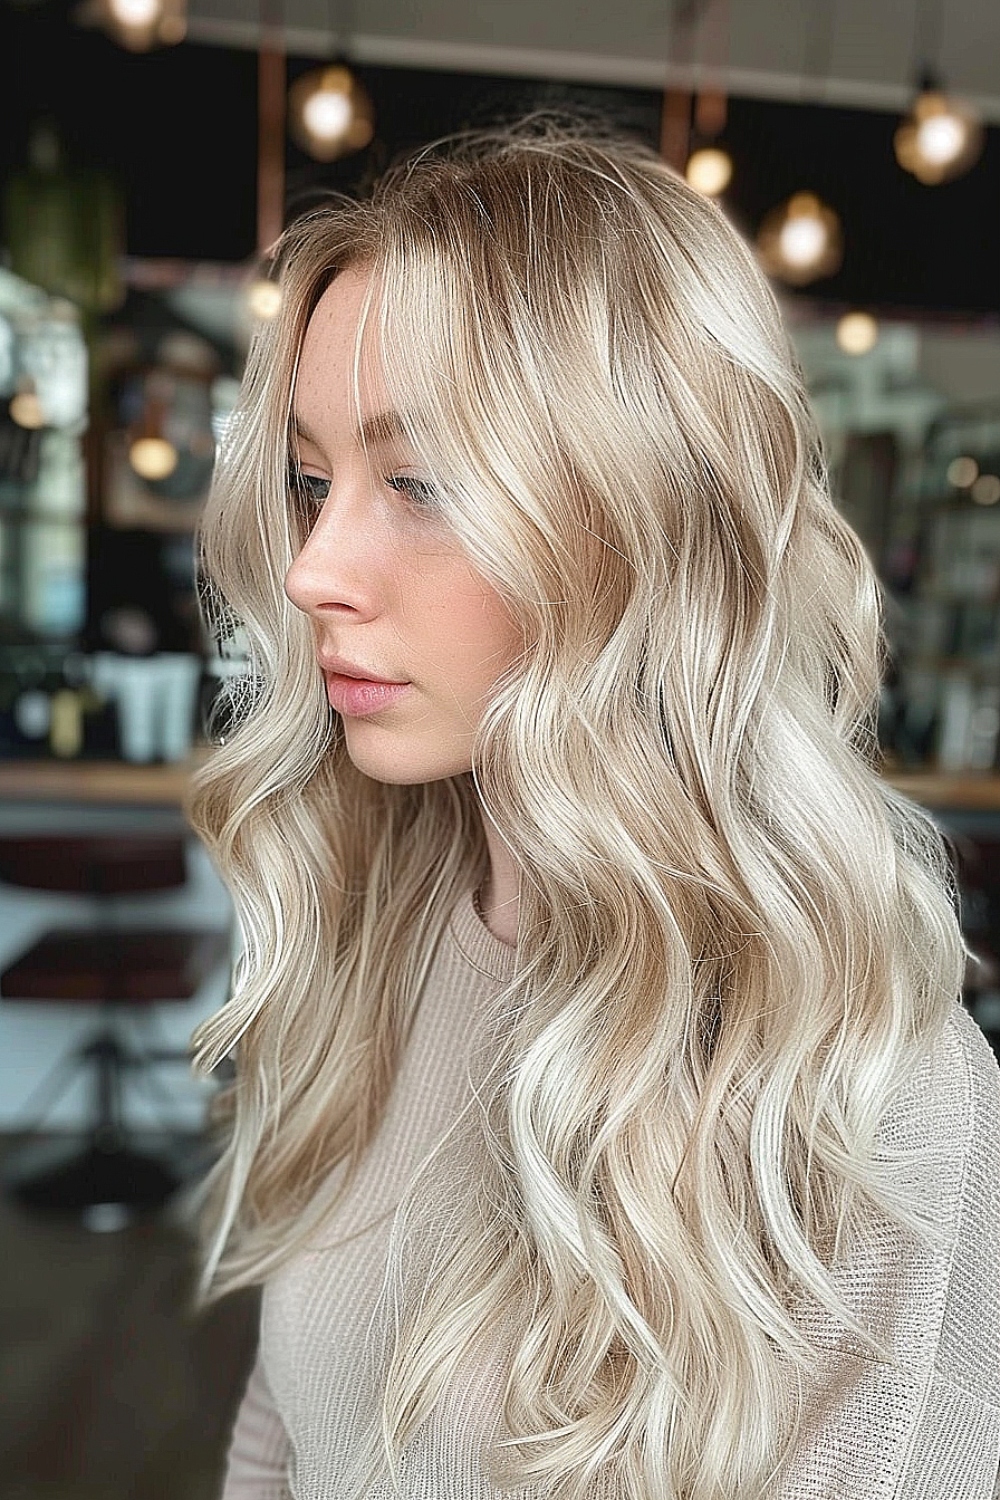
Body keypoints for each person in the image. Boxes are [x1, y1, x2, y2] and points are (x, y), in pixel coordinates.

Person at [186, 114, 1000, 1500]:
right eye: (315, 482)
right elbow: (291, 1417)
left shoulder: (871, 1100)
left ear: (639, 524)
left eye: (419, 483)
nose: (314, 566)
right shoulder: (379, 931)